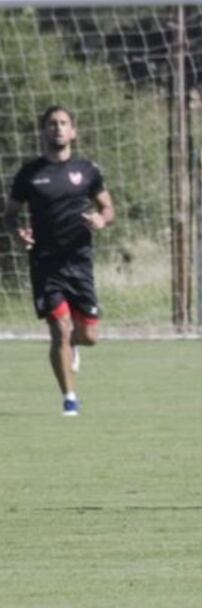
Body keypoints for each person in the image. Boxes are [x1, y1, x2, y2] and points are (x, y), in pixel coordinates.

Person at [3, 106, 115, 416]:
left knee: (89, 337)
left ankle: (73, 347)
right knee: (60, 331)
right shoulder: (29, 174)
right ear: (43, 131)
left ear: (73, 131)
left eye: (63, 123)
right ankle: (69, 399)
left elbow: (109, 209)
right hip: (45, 263)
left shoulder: (88, 170)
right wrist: (18, 232)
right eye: (52, 123)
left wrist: (101, 220)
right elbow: (10, 215)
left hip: (79, 263)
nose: (58, 128)